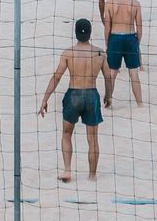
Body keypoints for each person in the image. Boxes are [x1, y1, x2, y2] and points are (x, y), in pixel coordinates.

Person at [39, 18, 113, 182]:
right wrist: (109, 96)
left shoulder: (68, 53)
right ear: (90, 33)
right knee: (92, 138)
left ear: (75, 32)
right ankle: (92, 175)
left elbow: (56, 77)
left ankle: (67, 170)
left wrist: (45, 99)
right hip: (91, 95)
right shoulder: (100, 53)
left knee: (66, 133)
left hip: (73, 95)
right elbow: (108, 76)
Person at [102, 0, 143, 107]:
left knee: (112, 73)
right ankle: (140, 104)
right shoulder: (135, 4)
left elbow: (107, 27)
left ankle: (108, 103)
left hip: (115, 38)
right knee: (134, 73)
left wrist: (107, 43)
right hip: (130, 37)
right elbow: (140, 28)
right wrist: (137, 42)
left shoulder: (109, 4)